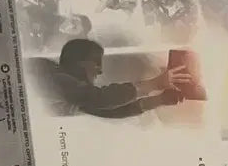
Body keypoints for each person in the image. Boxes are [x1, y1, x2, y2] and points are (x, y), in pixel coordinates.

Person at [39, 38, 191, 118]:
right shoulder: (49, 76)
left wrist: (159, 100)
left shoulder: (71, 94)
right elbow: (101, 99)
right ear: (80, 61)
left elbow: (111, 111)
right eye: (96, 63)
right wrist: (155, 84)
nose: (100, 71)